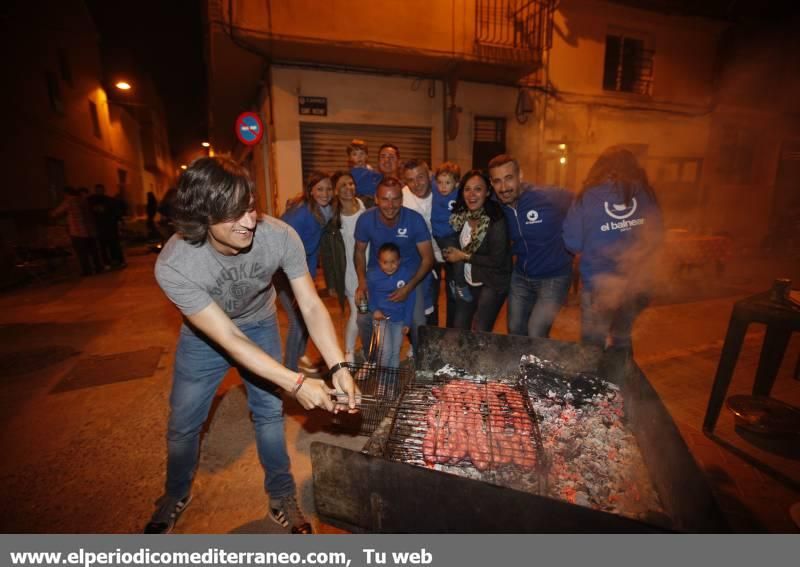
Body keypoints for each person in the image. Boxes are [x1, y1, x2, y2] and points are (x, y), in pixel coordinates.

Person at [148, 157, 357, 535]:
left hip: (259, 323)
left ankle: (281, 496)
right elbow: (227, 338)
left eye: (249, 207)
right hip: (204, 337)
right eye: (232, 215)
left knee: (268, 414)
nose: (248, 222)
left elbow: (309, 304)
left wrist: (339, 366)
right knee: (183, 423)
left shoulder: (278, 235)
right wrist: (296, 382)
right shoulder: (174, 264)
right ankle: (174, 494)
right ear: (203, 218)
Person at [562, 146, 664, 351]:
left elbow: (572, 242)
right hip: (636, 285)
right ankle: (622, 379)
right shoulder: (646, 193)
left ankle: (595, 382)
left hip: (598, 287)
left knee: (592, 346)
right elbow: (657, 236)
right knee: (622, 337)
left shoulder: (588, 196)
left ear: (599, 167)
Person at [489, 154, 574, 338]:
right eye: (497, 181)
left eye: (509, 178)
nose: (503, 188)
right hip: (521, 276)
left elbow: (583, 205)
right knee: (515, 329)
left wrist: (575, 242)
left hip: (554, 277)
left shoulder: (549, 196)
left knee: (536, 332)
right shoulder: (497, 203)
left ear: (520, 176)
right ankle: (524, 366)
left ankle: (539, 366)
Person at [354, 177, 434, 355]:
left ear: (402, 199)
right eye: (385, 199)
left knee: (418, 322)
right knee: (363, 319)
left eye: (395, 198)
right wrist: (362, 282)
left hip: (410, 278)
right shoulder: (366, 220)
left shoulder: (414, 220)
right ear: (376, 199)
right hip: (378, 278)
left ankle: (420, 363)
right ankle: (371, 358)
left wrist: (409, 287)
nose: (390, 205)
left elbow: (428, 258)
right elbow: (359, 251)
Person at [278, 172, 340, 374]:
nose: (325, 193)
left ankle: (298, 359)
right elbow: (282, 246)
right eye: (320, 189)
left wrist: (310, 280)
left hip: (299, 272)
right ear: (311, 191)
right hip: (283, 272)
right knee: (298, 320)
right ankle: (290, 369)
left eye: (329, 189)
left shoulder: (324, 213)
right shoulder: (302, 214)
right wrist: (296, 286)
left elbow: (311, 251)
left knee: (304, 318)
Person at [443, 170, 512, 332]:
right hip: (468, 279)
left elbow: (497, 261)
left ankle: (482, 357)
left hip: (493, 280)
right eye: (467, 189)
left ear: (487, 192)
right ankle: (465, 357)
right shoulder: (460, 216)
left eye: (478, 189)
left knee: (480, 328)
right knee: (459, 325)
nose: (472, 194)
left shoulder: (496, 219)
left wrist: (463, 256)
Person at [401, 159, 441, 327]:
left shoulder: (442, 190)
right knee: (421, 301)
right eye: (410, 179)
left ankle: (442, 340)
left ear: (430, 175)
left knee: (449, 299)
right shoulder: (402, 195)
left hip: (446, 253)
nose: (416, 184)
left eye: (420, 177)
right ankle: (419, 343)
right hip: (419, 257)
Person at [332, 171, 366, 363]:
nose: (348, 188)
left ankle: (370, 351)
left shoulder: (364, 205)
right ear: (336, 191)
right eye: (343, 185)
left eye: (351, 184)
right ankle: (349, 352)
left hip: (372, 265)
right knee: (357, 312)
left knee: (370, 313)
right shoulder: (335, 218)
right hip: (351, 270)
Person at [367, 243, 415, 368]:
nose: (389, 266)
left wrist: (407, 322)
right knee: (386, 351)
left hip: (399, 320)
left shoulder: (406, 274)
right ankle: (382, 383)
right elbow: (369, 295)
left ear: (399, 261)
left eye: (393, 262)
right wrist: (374, 310)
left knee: (395, 352)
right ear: (379, 262)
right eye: (385, 262)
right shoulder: (372, 275)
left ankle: (391, 383)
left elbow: (411, 298)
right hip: (381, 319)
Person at [431, 162, 470, 310]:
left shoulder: (459, 192)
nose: (443, 186)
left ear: (456, 183)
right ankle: (460, 285)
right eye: (440, 182)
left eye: (448, 183)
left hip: (454, 233)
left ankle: (454, 284)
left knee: (458, 262)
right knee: (457, 258)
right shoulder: (435, 190)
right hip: (441, 235)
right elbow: (426, 176)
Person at [50, 186, 103, 276]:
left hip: (77, 232)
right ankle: (98, 268)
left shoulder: (69, 201)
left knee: (82, 253)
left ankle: (87, 271)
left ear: (66, 193)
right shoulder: (85, 200)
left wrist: (51, 215)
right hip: (90, 231)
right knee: (94, 251)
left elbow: (55, 213)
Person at [87, 183, 125, 268]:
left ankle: (118, 261)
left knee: (114, 245)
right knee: (103, 247)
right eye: (98, 190)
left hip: (110, 227)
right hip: (99, 228)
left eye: (100, 190)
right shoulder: (91, 201)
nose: (99, 192)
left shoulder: (110, 201)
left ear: (103, 190)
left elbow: (116, 213)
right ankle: (107, 263)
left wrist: (119, 222)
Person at [347, 139, 382, 207]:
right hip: (359, 203)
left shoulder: (374, 173)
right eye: (355, 154)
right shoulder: (349, 175)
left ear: (367, 156)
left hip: (375, 204)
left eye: (362, 153)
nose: (359, 157)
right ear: (350, 158)